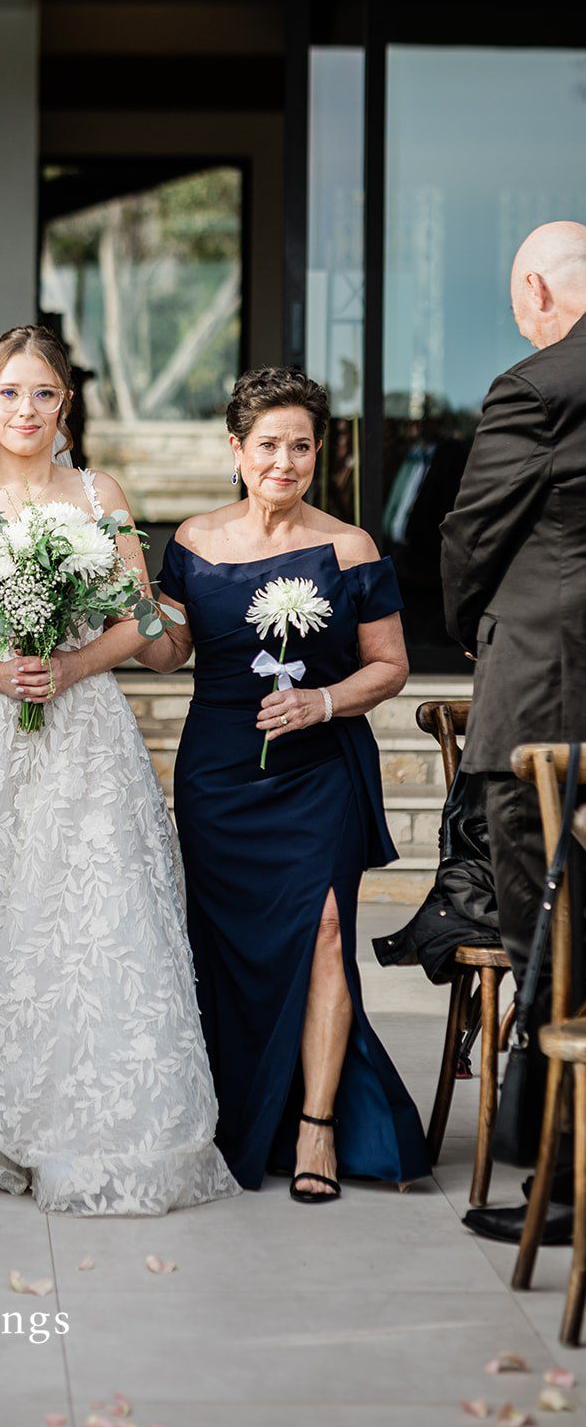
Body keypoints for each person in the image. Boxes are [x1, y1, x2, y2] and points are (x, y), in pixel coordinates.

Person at [0, 325, 235, 1214]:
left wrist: (67, 668)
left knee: (81, 909)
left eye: (43, 394)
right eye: (9, 393)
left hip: (82, 727)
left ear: (66, 405)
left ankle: (58, 1103)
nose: (25, 410)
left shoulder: (100, 491)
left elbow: (138, 622)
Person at [137, 366, 430, 1200]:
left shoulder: (350, 548)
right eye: (268, 444)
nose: (284, 461)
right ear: (235, 449)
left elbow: (391, 666)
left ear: (317, 455)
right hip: (220, 775)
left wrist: (324, 702)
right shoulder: (192, 542)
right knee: (230, 948)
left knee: (326, 930)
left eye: (300, 445)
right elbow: (165, 654)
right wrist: (122, 596)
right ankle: (240, 1111)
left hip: (318, 772)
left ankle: (316, 1127)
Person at [441, 219, 586, 1247]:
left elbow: (472, 534)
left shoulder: (534, 385)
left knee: (552, 940)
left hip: (541, 699)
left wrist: (470, 631)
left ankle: (563, 1179)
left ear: (535, 290)